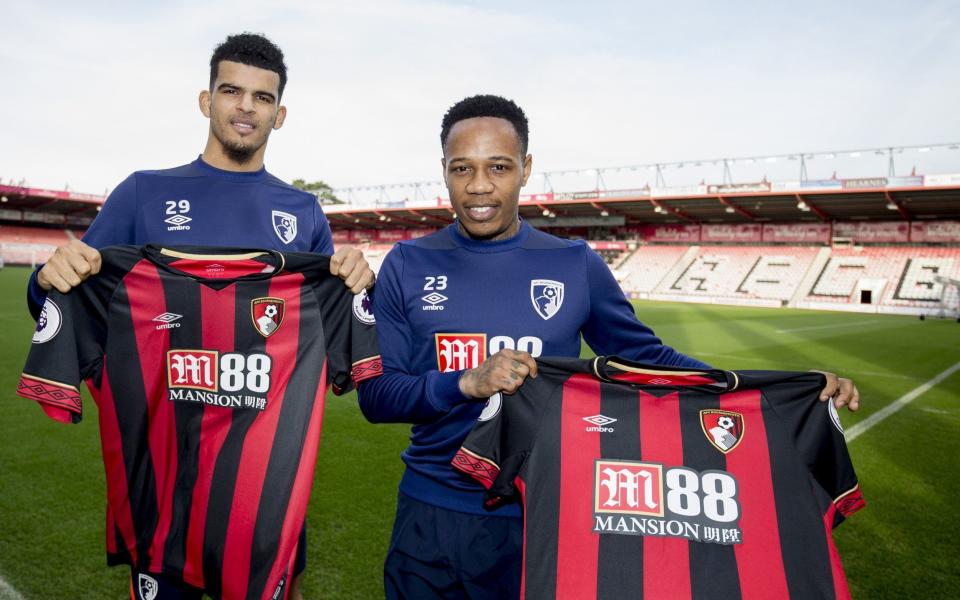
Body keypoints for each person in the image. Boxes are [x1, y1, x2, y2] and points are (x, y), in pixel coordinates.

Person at [357, 94, 860, 600]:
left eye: (499, 167)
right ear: (443, 170)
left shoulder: (574, 264)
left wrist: (776, 394)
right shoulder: (407, 263)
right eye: (462, 168)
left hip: (538, 516)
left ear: (526, 169)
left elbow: (649, 360)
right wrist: (466, 381)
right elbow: (378, 397)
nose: (480, 186)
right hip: (429, 512)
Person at [25, 32, 374, 599]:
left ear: (279, 115)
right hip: (165, 481)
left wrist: (354, 278)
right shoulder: (142, 193)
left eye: (262, 98)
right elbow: (68, 303)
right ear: (206, 100)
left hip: (261, 487)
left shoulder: (302, 211)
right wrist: (47, 281)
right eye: (232, 90)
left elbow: (324, 326)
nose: (245, 107)